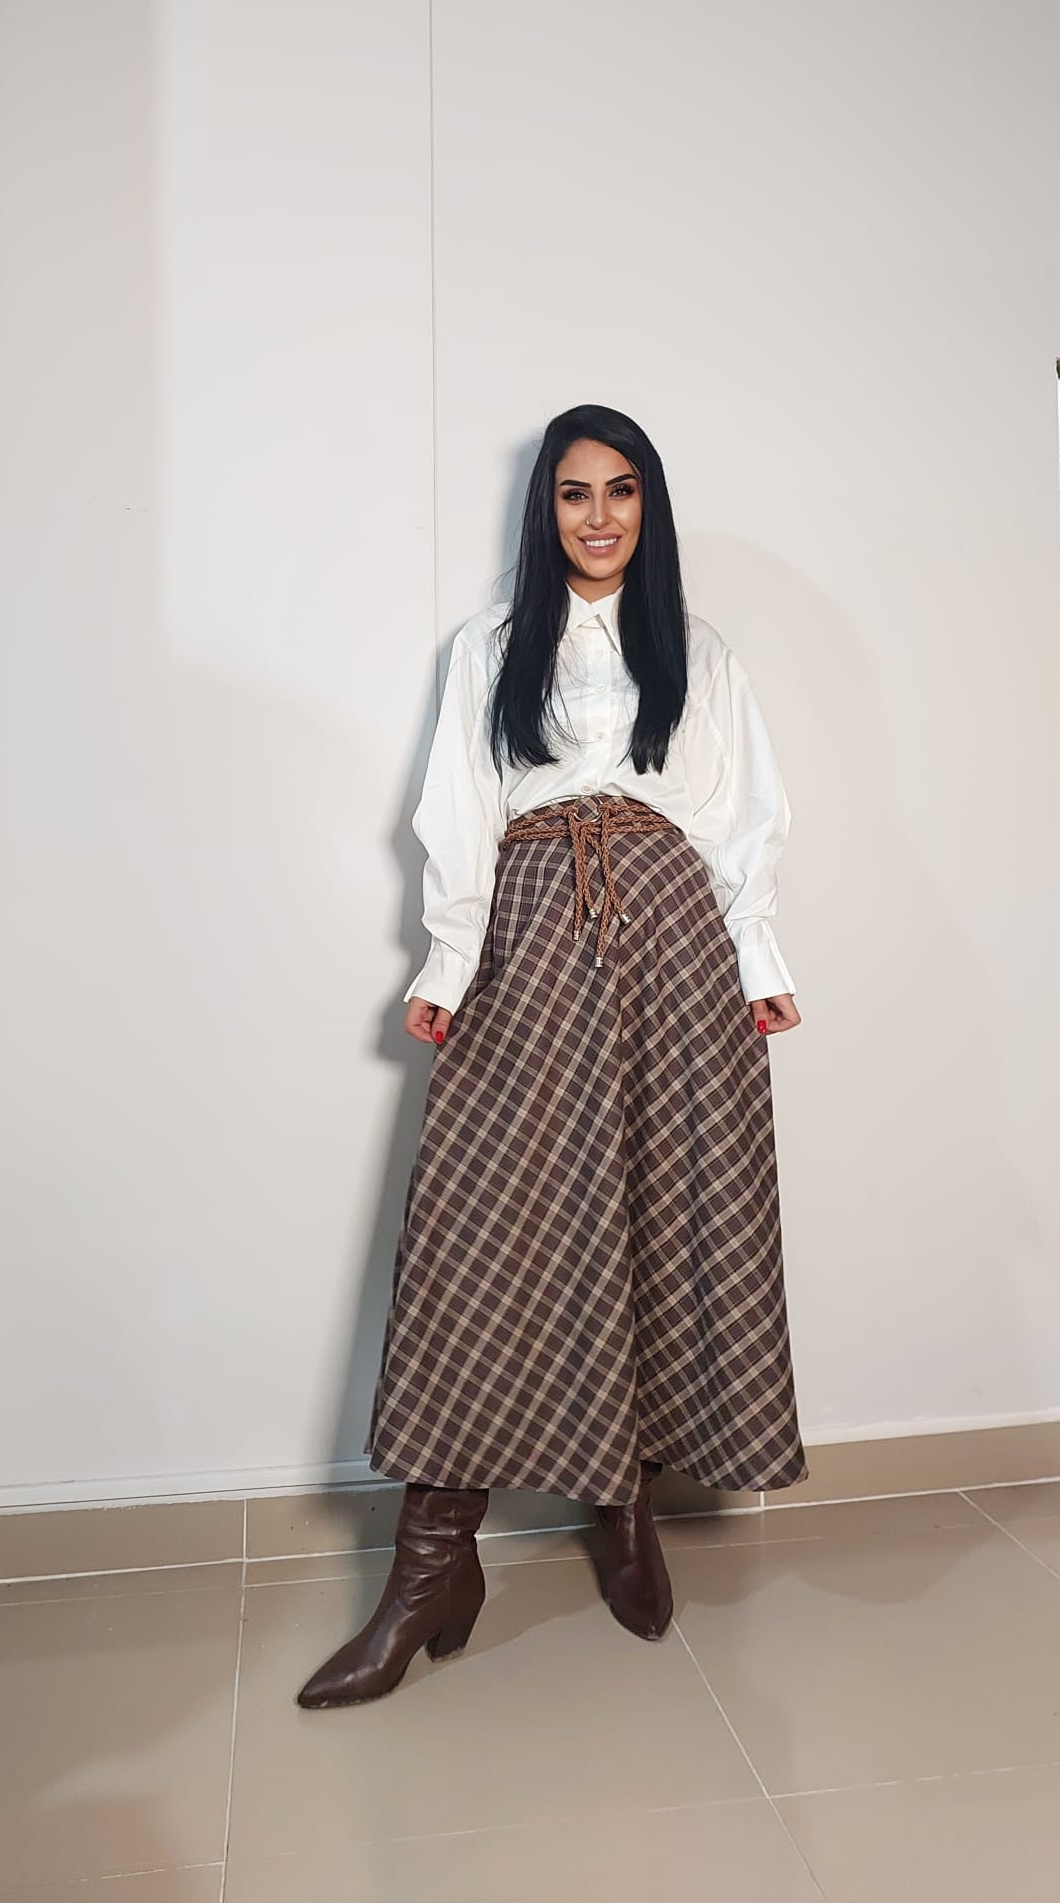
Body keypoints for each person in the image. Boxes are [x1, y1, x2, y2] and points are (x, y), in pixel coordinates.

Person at [296, 404, 807, 1710]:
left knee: (653, 1210)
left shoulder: (695, 647)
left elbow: (743, 814)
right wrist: (447, 963)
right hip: (528, 922)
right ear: (547, 511)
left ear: (649, 507)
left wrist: (757, 959)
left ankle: (625, 1507)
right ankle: (430, 1569)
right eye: (576, 493)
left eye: (621, 491)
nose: (598, 516)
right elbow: (455, 808)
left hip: (674, 930)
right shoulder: (491, 646)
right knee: (488, 1227)